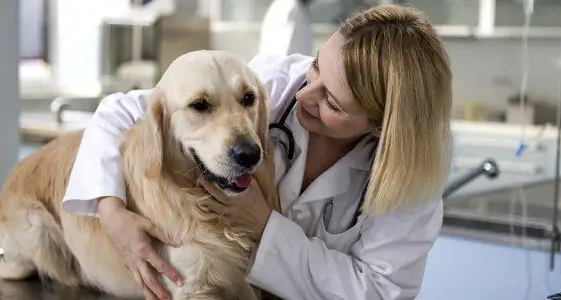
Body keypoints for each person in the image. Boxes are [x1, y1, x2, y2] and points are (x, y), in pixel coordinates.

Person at [62, 4, 452, 300]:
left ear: (382, 124)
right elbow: (121, 111)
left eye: (331, 101)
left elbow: (379, 291)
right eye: (316, 68)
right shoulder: (271, 84)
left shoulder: (411, 181)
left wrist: (264, 225)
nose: (304, 95)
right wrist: (109, 211)